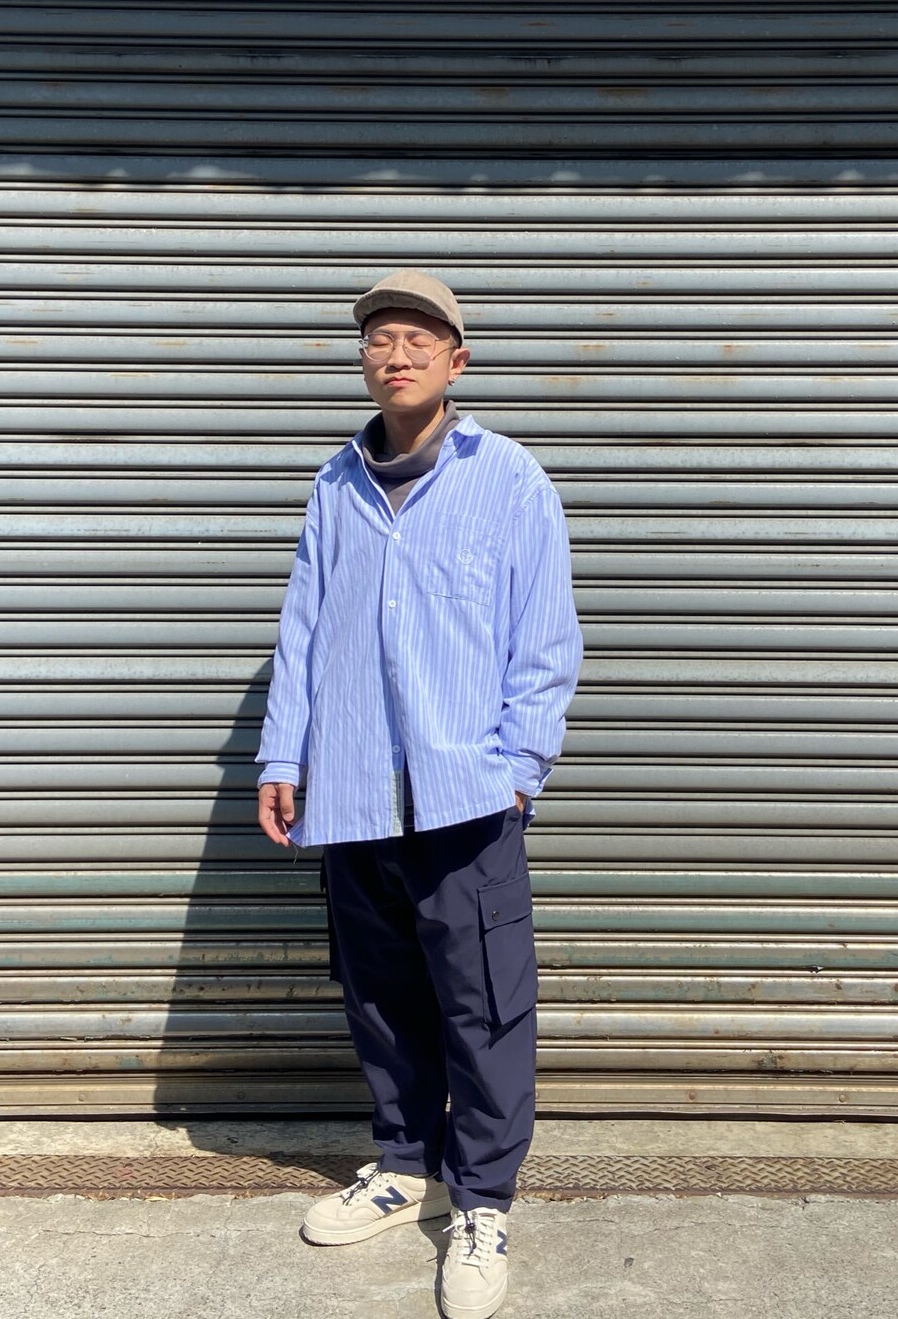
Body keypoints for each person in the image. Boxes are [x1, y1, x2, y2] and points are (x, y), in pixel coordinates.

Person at [256, 269, 582, 1319]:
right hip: (352, 792)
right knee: (382, 997)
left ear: (456, 360)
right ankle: (404, 1165)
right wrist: (281, 758)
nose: (394, 355)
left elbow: (545, 639)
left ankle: (481, 1201)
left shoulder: (510, 479)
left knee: (484, 1006)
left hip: (465, 799)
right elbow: (304, 630)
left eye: (417, 339)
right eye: (378, 339)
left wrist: (519, 770)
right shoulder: (336, 486)